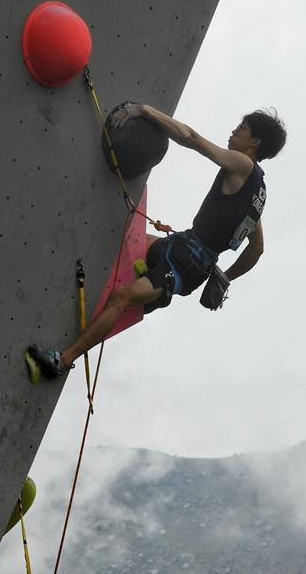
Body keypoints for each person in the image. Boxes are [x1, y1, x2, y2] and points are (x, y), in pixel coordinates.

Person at [29, 105, 286, 377]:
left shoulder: (243, 164)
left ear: (255, 142)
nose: (234, 132)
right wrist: (224, 276)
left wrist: (145, 111)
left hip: (185, 266)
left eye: (242, 129)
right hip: (183, 246)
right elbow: (256, 249)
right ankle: (148, 287)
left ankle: (62, 360)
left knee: (121, 297)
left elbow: (191, 138)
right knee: (126, 242)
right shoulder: (259, 192)